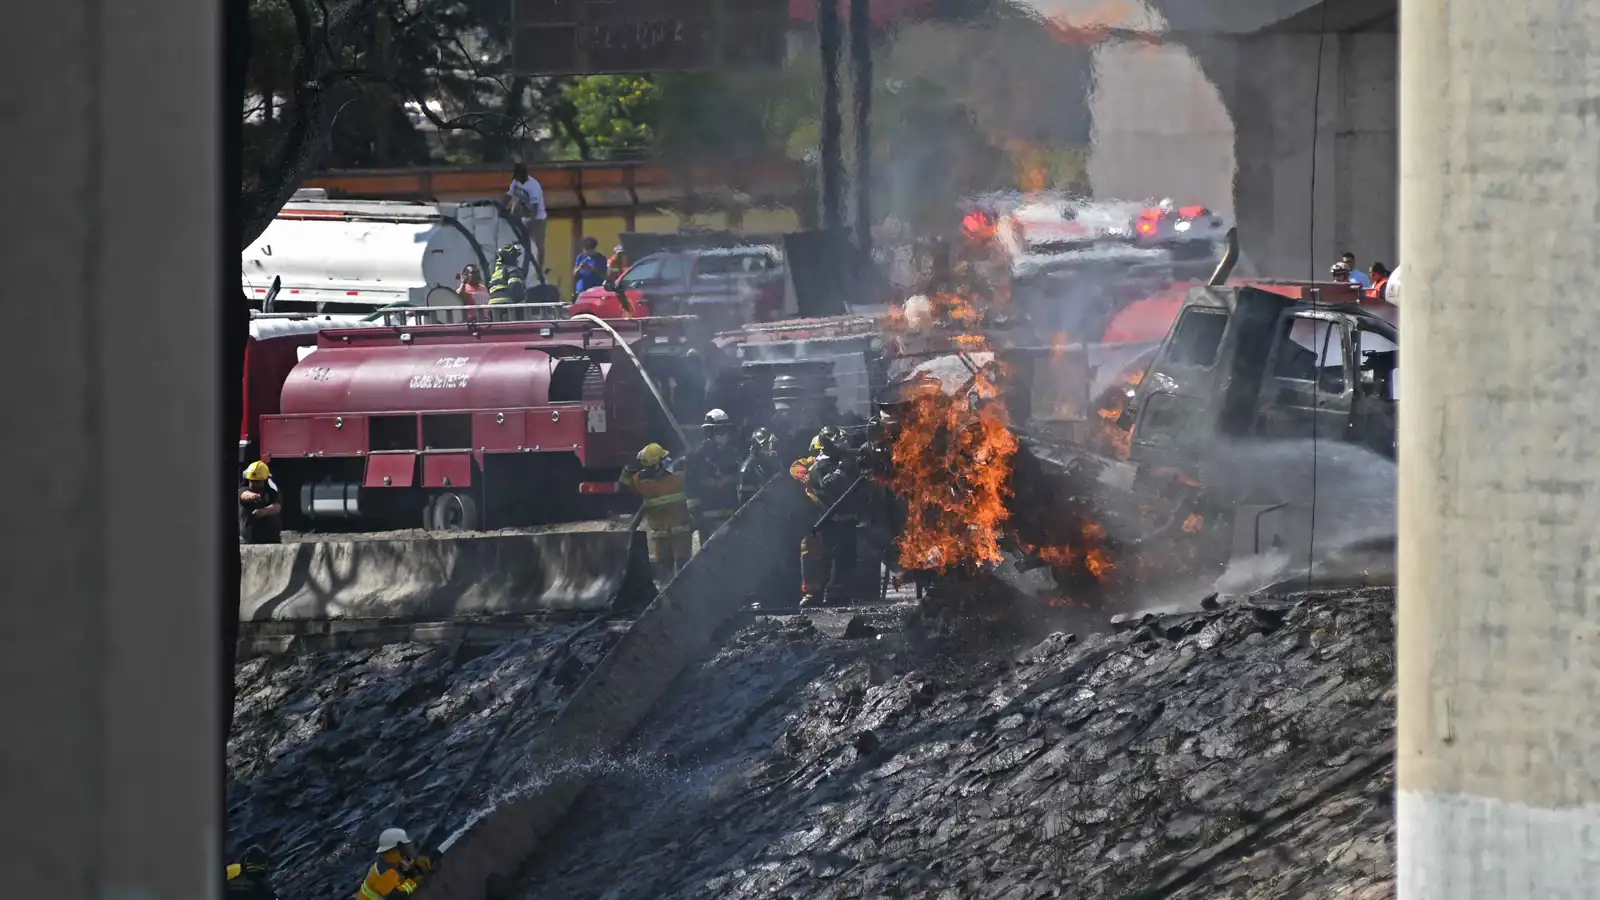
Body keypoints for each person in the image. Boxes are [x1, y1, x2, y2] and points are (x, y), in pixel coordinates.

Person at [790, 427, 861, 607]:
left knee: (845, 556)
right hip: (821, 519)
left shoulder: (847, 461)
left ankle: (838, 592)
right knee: (813, 556)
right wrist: (808, 474)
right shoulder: (818, 464)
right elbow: (825, 482)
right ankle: (812, 594)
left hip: (845, 517)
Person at [619, 442, 693, 585]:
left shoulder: (642, 483)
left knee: (673, 570)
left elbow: (624, 483)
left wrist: (629, 468)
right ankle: (675, 597)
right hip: (673, 533)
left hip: (669, 533)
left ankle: (672, 598)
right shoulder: (676, 479)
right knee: (676, 570)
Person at [685, 409, 743, 546]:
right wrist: (696, 515)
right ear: (709, 433)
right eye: (721, 431)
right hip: (707, 517)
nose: (725, 436)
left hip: (730, 515)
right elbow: (691, 487)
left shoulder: (732, 453)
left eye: (726, 431)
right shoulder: (697, 456)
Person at [356, 827, 433, 899]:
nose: (405, 851)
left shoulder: (389, 861)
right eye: (403, 848)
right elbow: (395, 896)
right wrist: (413, 883)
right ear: (393, 851)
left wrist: (416, 860)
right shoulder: (385, 873)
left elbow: (404, 867)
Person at [507, 162, 547, 267]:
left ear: (523, 175)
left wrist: (530, 224)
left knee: (538, 244)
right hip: (523, 216)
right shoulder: (515, 182)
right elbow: (509, 196)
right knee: (519, 242)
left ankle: (539, 267)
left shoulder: (533, 185)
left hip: (537, 218)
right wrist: (502, 209)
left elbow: (535, 208)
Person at [239, 461, 283, 545]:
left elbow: (277, 506)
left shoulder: (271, 492)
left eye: (258, 481)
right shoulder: (244, 489)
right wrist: (254, 496)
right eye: (252, 481)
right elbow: (243, 495)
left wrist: (265, 511)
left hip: (272, 540)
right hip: (250, 541)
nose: (255, 484)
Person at [738, 427, 781, 505]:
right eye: (767, 445)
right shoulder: (749, 468)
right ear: (757, 447)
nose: (771, 449)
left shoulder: (774, 464)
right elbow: (747, 502)